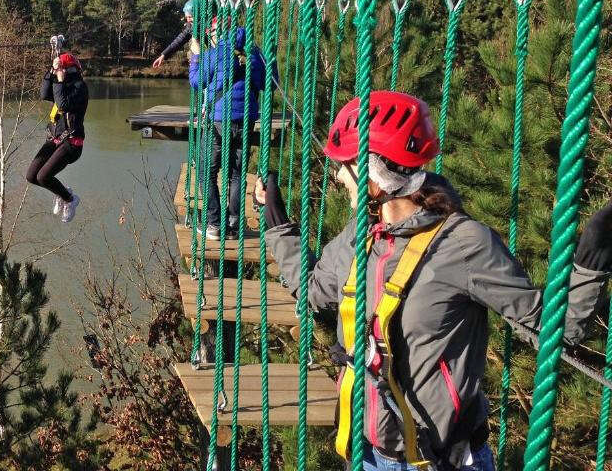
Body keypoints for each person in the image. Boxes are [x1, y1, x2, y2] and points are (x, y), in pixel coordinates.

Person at [252, 90, 612, 471]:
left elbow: (558, 327)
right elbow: (313, 292)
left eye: (347, 165)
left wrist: (589, 268)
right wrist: (276, 221)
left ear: (376, 175)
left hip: (440, 461)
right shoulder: (362, 235)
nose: (339, 175)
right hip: (366, 453)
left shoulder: (463, 244)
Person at [189, 18, 269, 239]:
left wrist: (196, 57)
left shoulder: (217, 53)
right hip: (246, 121)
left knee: (207, 172)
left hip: (219, 121)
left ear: (219, 33)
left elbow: (196, 82)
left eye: (212, 33)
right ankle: (233, 225)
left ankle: (214, 224)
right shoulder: (253, 52)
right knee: (236, 173)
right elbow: (268, 82)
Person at [26, 51, 88, 223]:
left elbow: (63, 104)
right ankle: (62, 192)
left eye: (63, 69)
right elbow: (45, 94)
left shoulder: (79, 87)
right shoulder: (60, 86)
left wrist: (60, 80)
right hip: (54, 140)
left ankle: (70, 199)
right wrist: (51, 72)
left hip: (71, 143)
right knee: (31, 176)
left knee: (43, 177)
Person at [152, 0, 197, 69]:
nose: (188, 20)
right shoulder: (191, 26)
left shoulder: (210, 25)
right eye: (187, 17)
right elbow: (179, 40)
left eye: (190, 17)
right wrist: (163, 55)